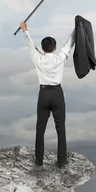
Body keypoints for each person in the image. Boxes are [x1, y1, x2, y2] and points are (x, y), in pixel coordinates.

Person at [19, 21, 75, 168]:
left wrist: (25, 30)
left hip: (43, 94)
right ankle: (62, 160)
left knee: (40, 127)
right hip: (57, 94)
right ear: (55, 48)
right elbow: (70, 43)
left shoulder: (38, 58)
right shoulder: (60, 57)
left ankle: (39, 160)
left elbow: (31, 46)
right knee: (60, 127)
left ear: (43, 49)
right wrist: (77, 28)